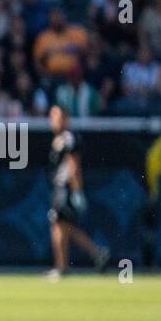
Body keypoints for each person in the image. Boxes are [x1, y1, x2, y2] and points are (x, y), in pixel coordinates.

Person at [47, 105, 110, 279]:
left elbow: (74, 165)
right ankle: (96, 252)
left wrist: (76, 191)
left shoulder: (68, 138)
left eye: (56, 116)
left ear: (66, 119)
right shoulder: (59, 138)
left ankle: (62, 266)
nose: (53, 121)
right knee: (65, 226)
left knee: (59, 225)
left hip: (66, 188)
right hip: (61, 188)